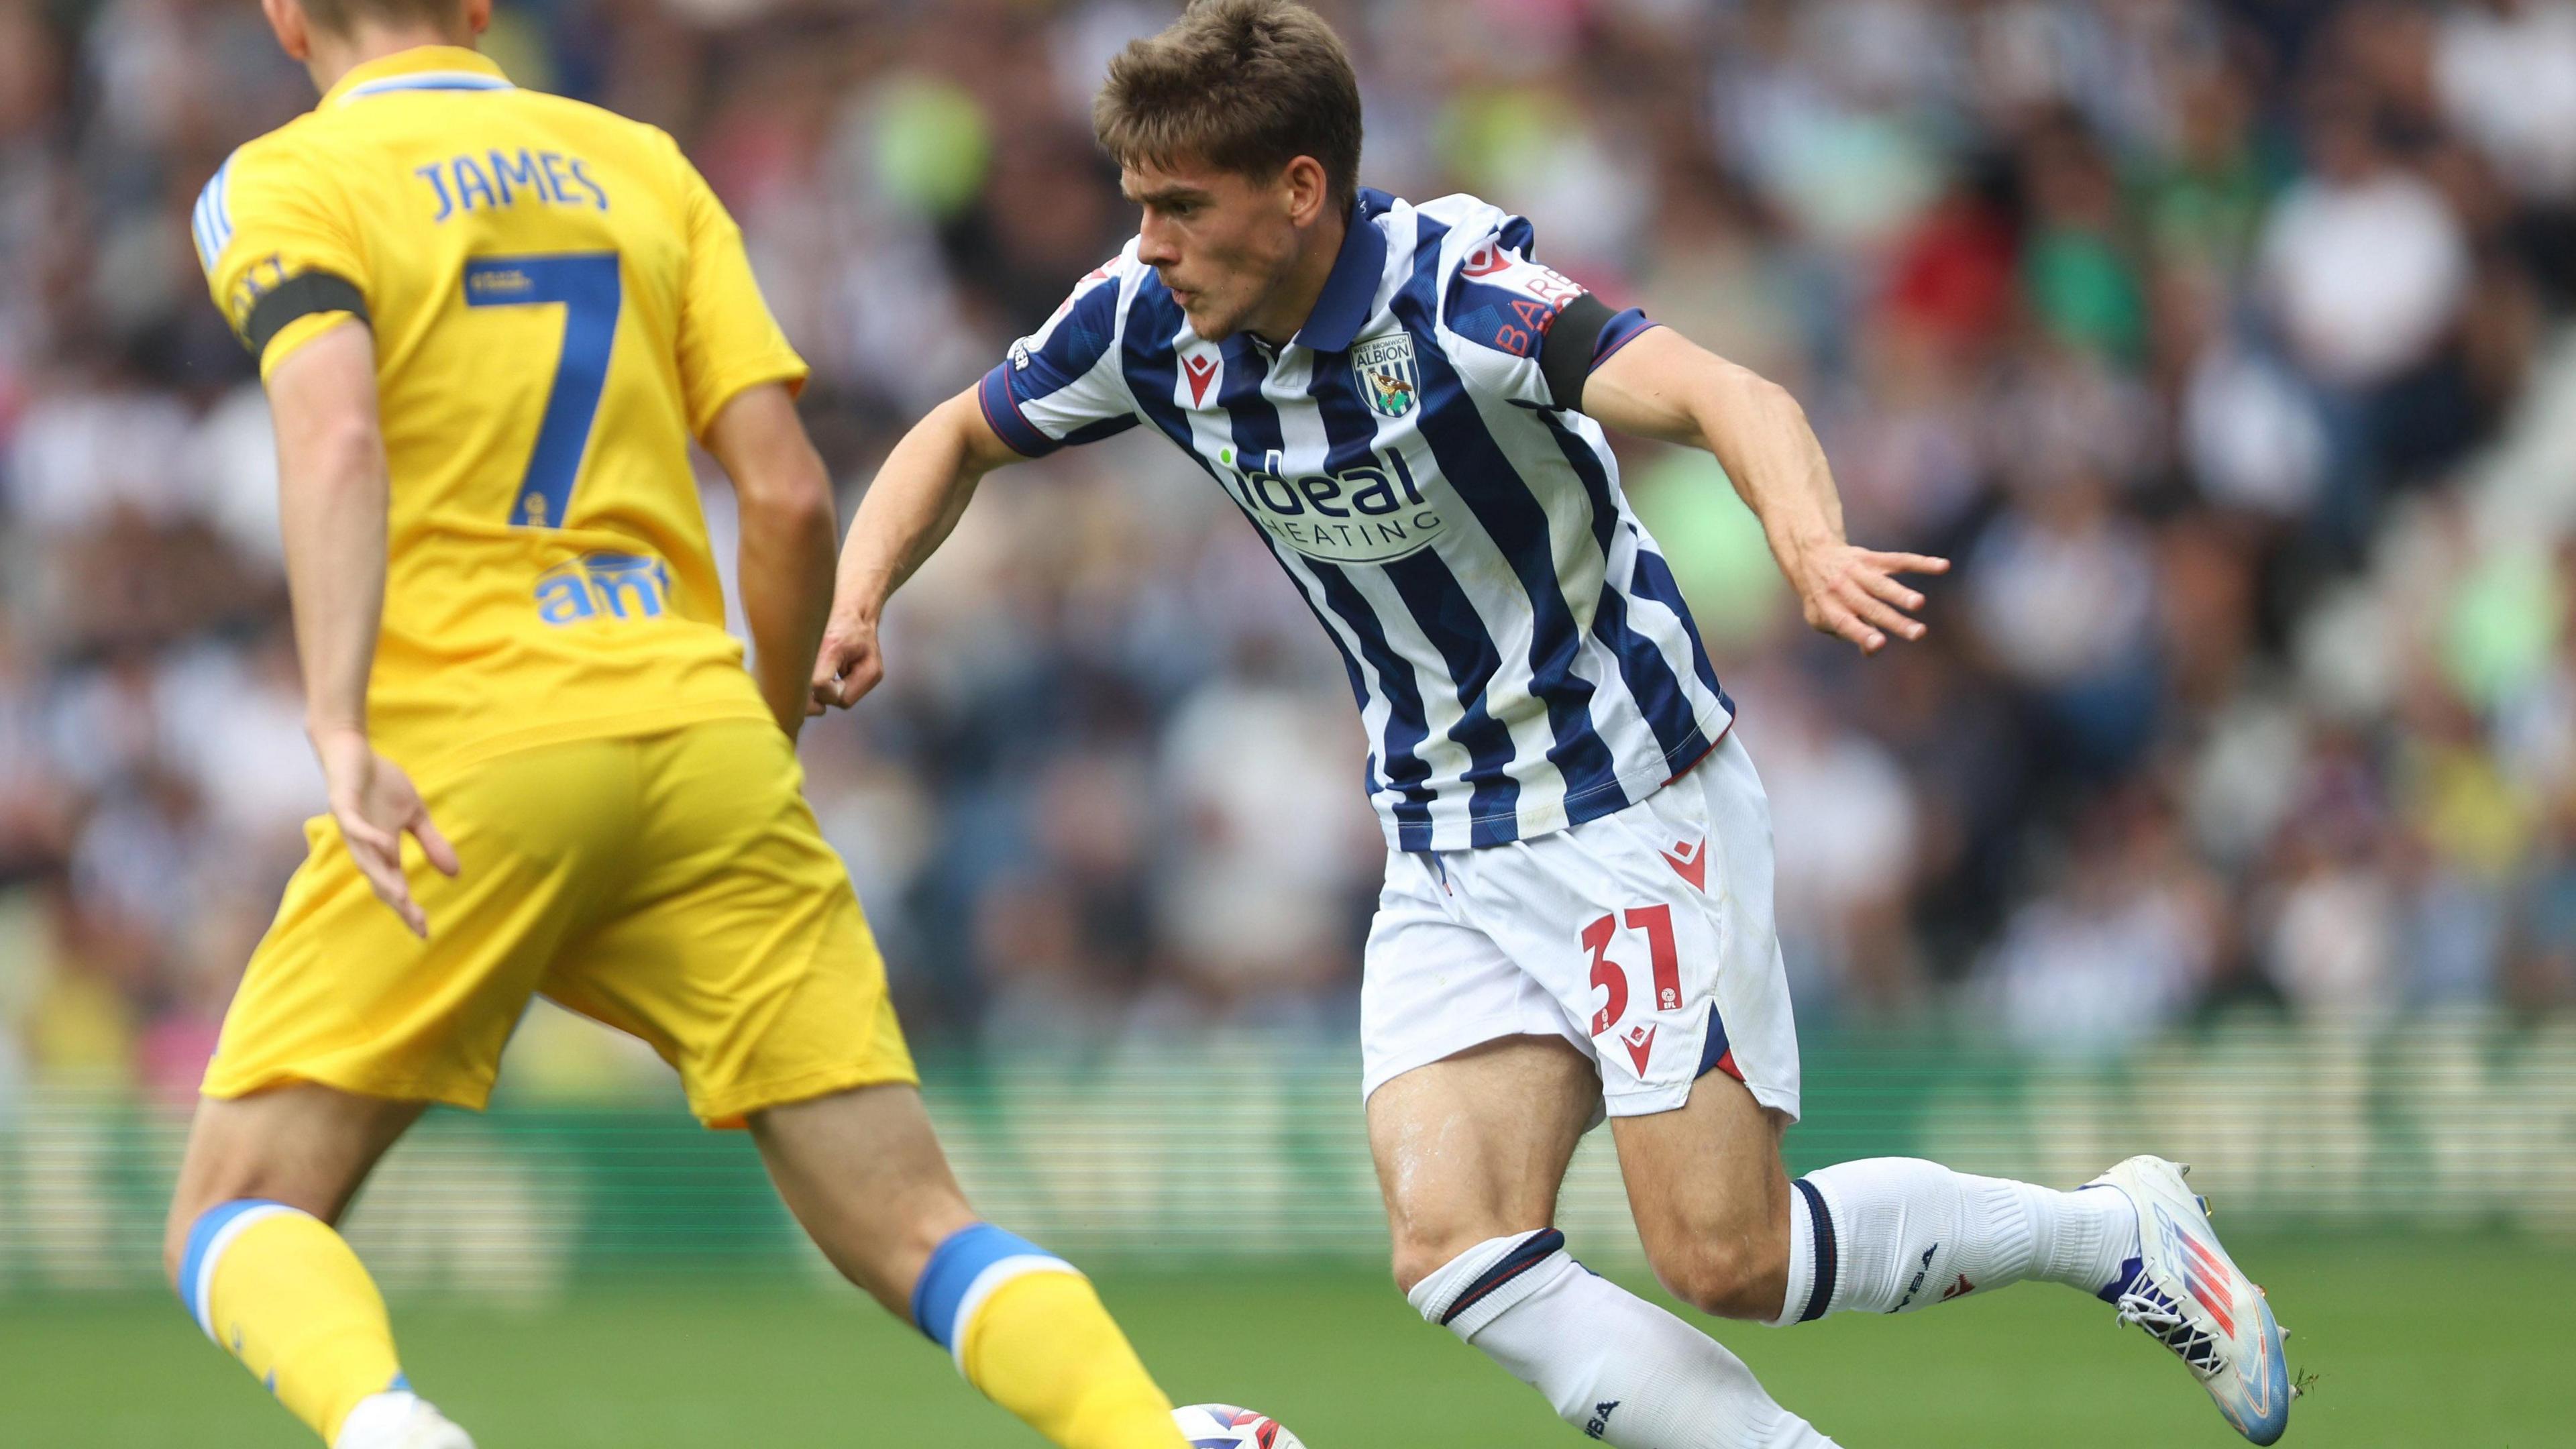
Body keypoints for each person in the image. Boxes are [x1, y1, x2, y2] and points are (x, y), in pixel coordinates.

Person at [812, 3, 2293, 1446]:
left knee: (1730, 1258)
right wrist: (861, 594)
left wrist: (1808, 540)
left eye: (1182, 206)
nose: (1150, 241)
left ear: (1301, 188)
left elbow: (1727, 390)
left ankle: (2115, 1234)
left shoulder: (1456, 296)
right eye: (1140, 204)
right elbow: (956, 434)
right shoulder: (1148, 322)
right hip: (1445, 840)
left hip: (1625, 802)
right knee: (1456, 1249)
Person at [168, 1, 1195, 1446]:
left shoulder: (283, 181)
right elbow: (782, 498)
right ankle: (1153, 1436)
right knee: (917, 1229)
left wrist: (338, 727)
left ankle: (391, 1430)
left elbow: (334, 434)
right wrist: (755, 745)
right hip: (696, 730)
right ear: (478, 6)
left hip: (472, 751)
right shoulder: (639, 161)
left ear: (283, 16)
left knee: (239, 1205)